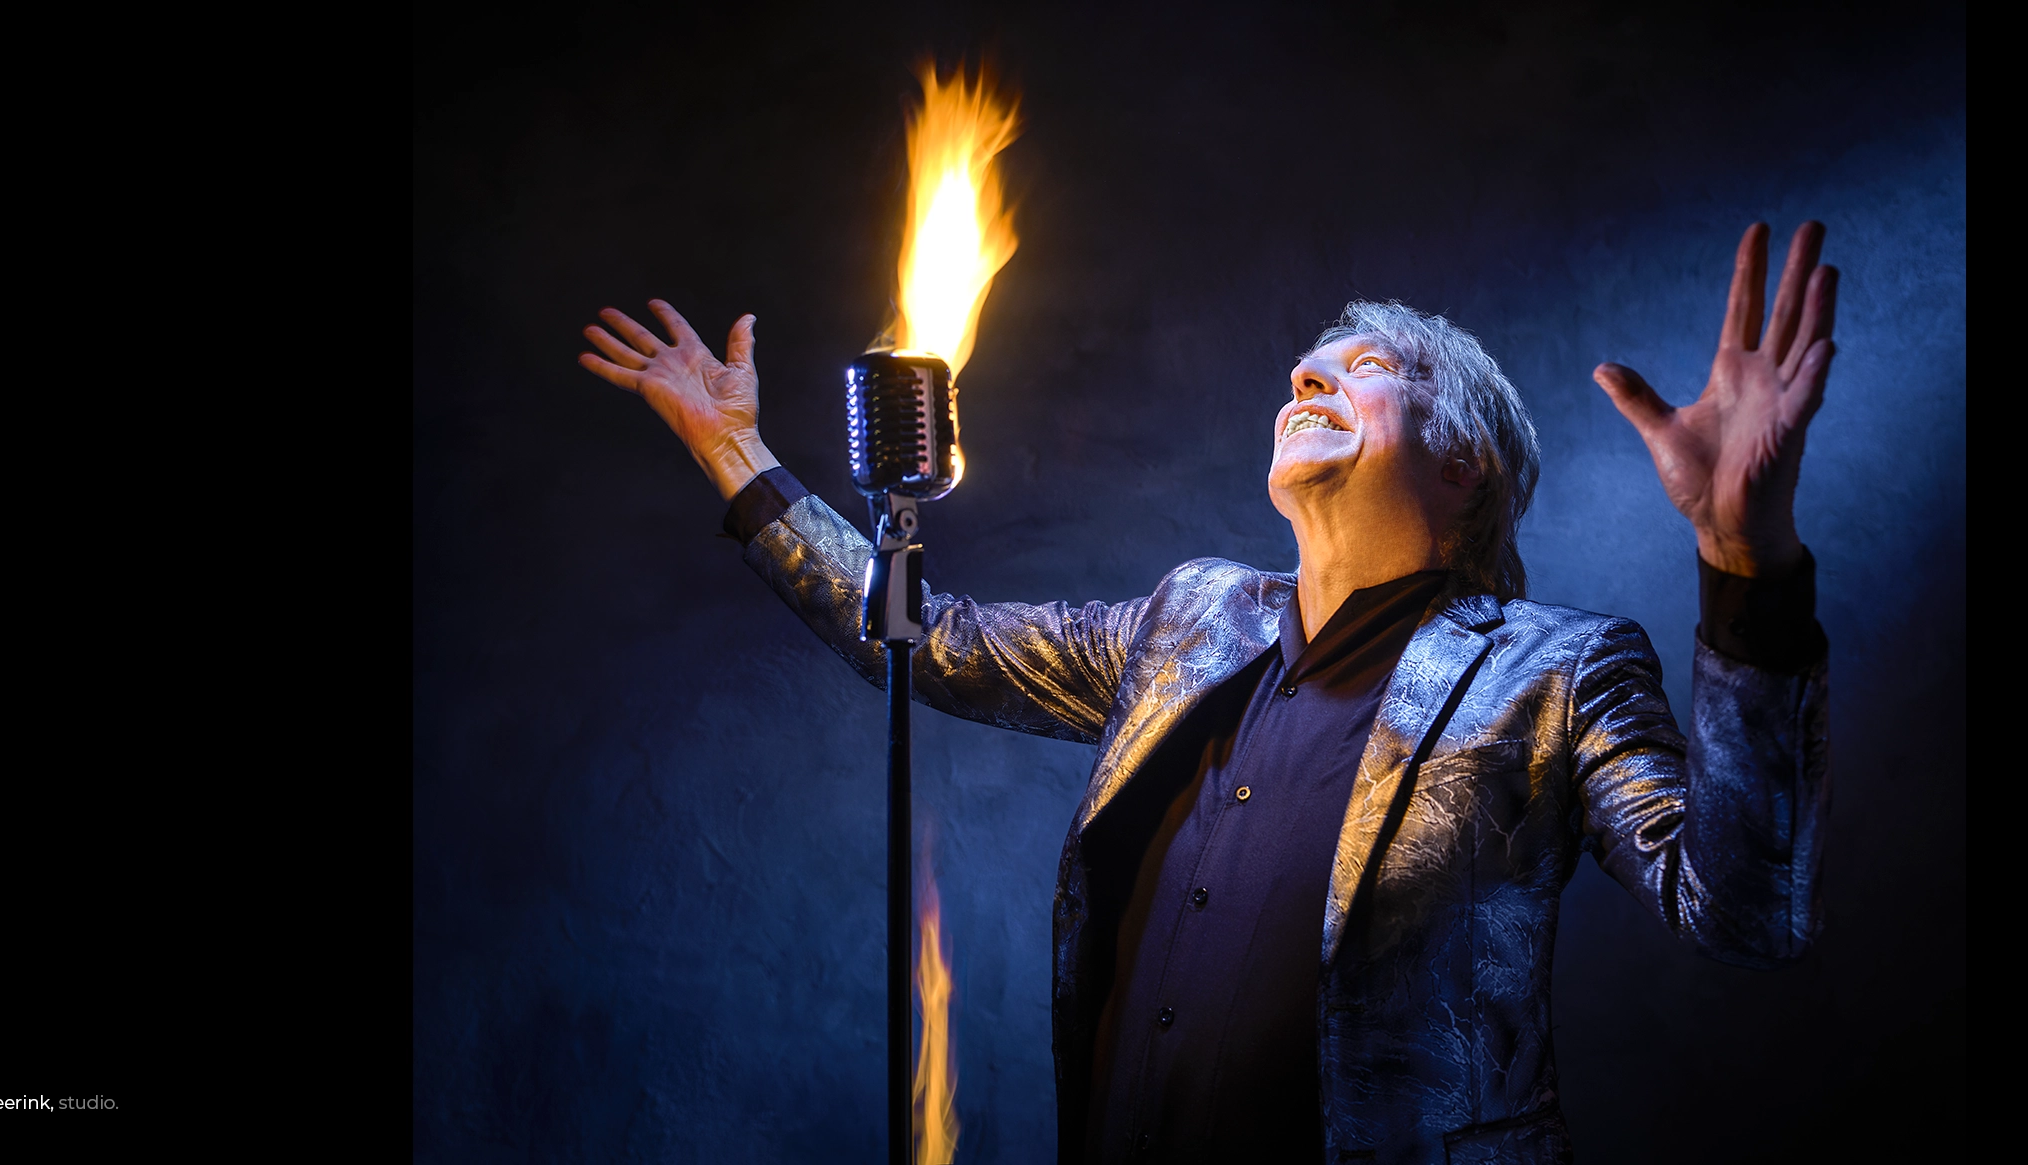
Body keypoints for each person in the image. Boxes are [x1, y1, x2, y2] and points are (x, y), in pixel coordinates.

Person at [578, 222, 1838, 1165]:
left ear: (1463, 462)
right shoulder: (1190, 617)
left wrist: (1747, 567)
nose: (1308, 377)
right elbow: (929, 641)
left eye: (1362, 367)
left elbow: (1742, 910)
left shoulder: (1554, 671)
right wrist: (734, 454)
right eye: (1303, 367)